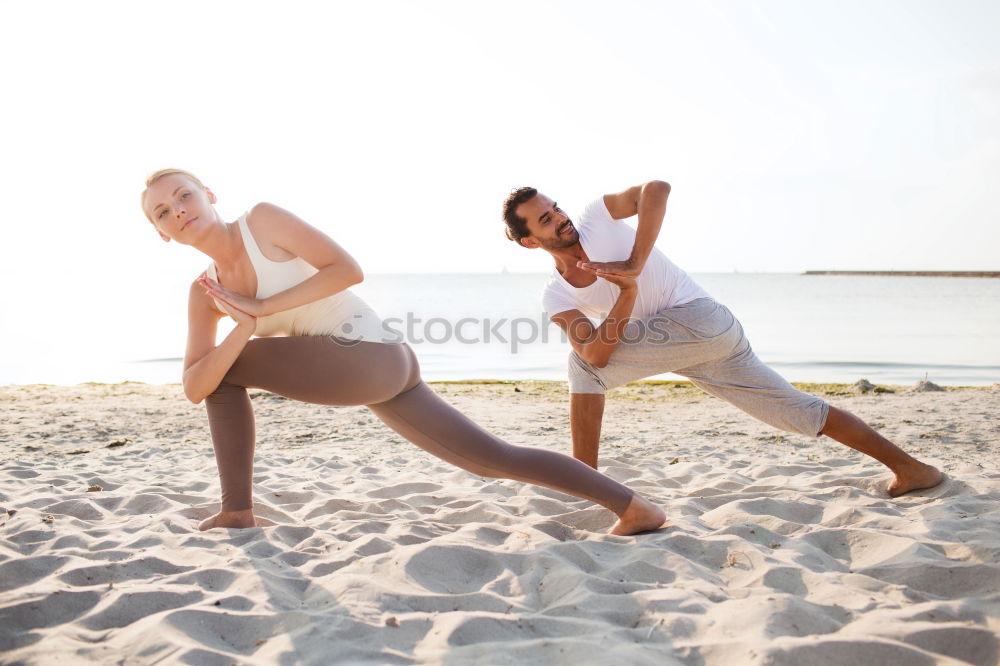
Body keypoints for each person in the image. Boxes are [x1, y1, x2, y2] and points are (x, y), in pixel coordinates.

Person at [140, 169, 665, 535]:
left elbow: (347, 270)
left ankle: (237, 510)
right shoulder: (203, 293)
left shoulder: (261, 221)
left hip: (366, 354)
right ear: (160, 233)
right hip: (379, 369)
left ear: (207, 193)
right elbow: (193, 386)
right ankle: (634, 506)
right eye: (163, 211)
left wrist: (259, 305)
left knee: (227, 374)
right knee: (492, 460)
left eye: (184, 195)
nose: (178, 210)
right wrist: (244, 325)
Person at [500, 182, 943, 497]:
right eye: (545, 218)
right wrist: (627, 293)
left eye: (555, 207)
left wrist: (635, 263)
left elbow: (656, 189)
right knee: (799, 413)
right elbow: (596, 352)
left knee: (580, 368)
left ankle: (585, 484)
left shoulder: (598, 217)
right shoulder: (556, 294)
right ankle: (912, 469)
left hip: (701, 321)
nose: (559, 217)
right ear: (529, 242)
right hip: (695, 346)